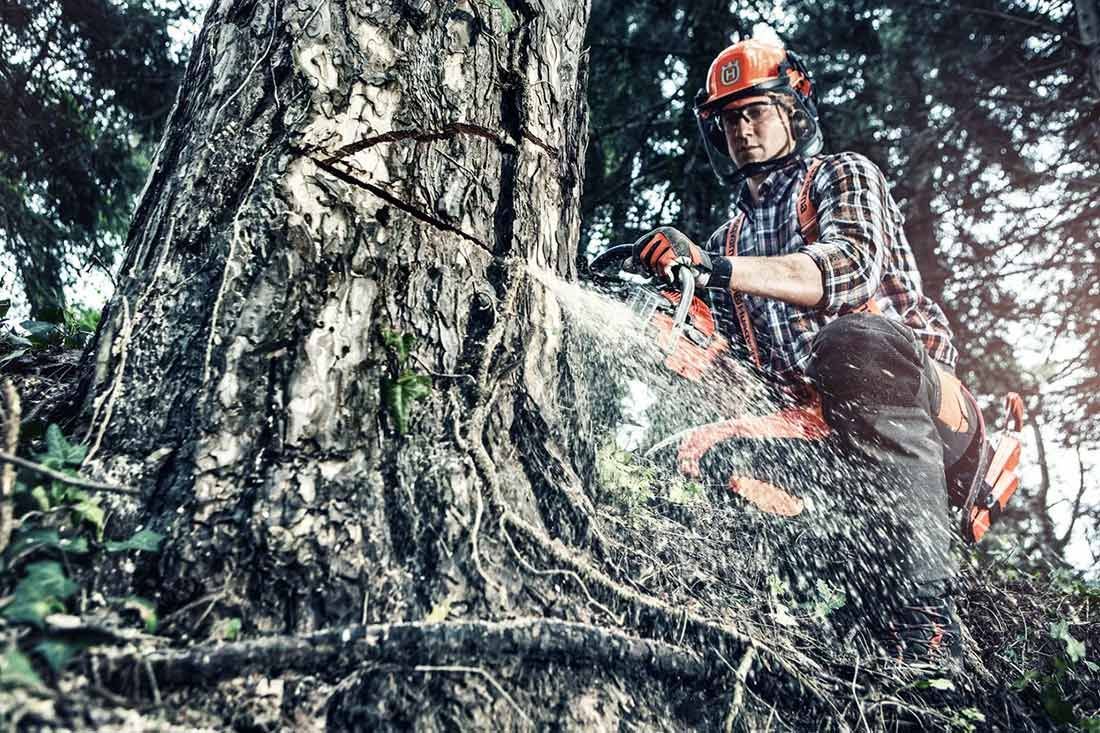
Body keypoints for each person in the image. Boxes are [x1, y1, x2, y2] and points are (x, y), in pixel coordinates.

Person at [630, 38, 980, 664]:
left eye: (755, 111)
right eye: (729, 119)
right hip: (815, 427)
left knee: (855, 341)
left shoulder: (840, 176)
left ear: (792, 110)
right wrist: (675, 322)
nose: (742, 129)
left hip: (922, 407)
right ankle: (821, 613)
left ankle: (928, 617)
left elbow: (843, 274)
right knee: (698, 454)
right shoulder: (728, 238)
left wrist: (716, 269)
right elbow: (724, 368)